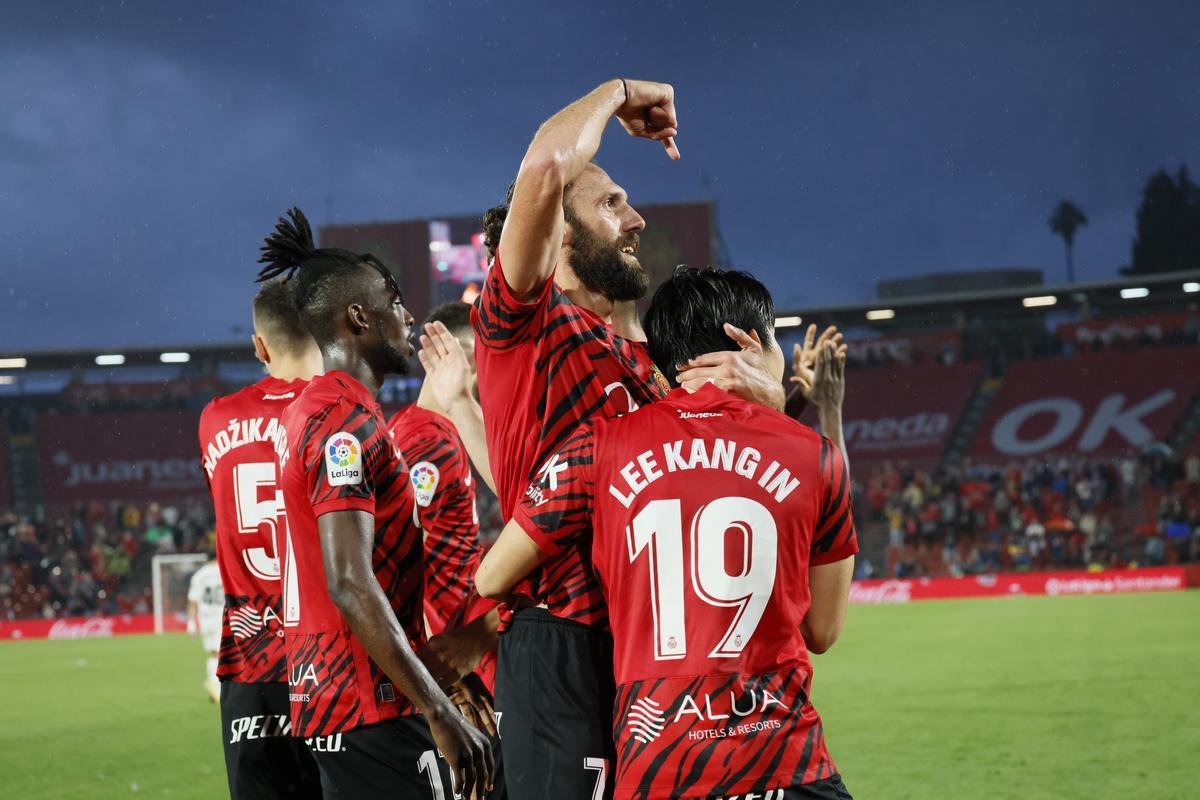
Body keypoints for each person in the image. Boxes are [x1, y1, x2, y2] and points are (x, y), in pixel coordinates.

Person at [473, 78, 785, 799]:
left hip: (650, 646)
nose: (636, 218)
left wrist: (777, 399)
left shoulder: (649, 369)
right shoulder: (524, 329)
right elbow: (547, 167)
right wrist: (617, 95)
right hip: (563, 645)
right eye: (611, 204)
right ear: (557, 232)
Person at [477, 267, 857, 799]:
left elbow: (492, 576)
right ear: (747, 343)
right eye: (776, 341)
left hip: (661, 767)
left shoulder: (598, 447)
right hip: (781, 758)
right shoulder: (816, 455)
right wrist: (804, 411)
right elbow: (823, 630)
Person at [258, 208, 495, 799]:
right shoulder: (342, 420)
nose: (408, 314)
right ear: (359, 317)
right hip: (365, 702)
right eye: (394, 300)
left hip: (349, 695)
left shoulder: (331, 410)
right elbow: (350, 581)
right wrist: (437, 707)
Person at [197, 278, 324, 799]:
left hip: (250, 671)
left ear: (258, 346)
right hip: (325, 662)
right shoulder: (339, 413)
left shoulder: (214, 418)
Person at [389, 302, 500, 692]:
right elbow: (398, 562)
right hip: (449, 660)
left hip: (452, 654)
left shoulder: (421, 430)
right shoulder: (428, 443)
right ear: (466, 356)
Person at [186, 554, 224, 705]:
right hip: (221, 617)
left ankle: (213, 682)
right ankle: (217, 686)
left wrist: (191, 623)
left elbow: (193, 601)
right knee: (222, 653)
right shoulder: (223, 570)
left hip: (205, 619)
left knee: (213, 653)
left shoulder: (199, 575)